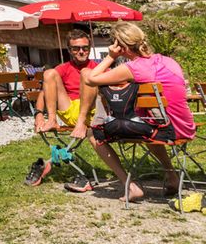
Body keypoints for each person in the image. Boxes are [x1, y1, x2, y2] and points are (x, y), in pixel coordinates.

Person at [84, 21, 195, 202]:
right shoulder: (168, 60)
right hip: (184, 127)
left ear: (120, 46)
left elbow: (91, 79)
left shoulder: (133, 68)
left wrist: (111, 57)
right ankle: (172, 177)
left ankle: (131, 186)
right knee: (149, 124)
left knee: (92, 133)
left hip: (164, 130)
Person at [34, 29, 99, 139]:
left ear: (89, 48)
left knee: (87, 73)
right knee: (49, 73)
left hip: (90, 111)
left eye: (85, 48)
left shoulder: (98, 67)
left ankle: (81, 121)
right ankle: (52, 119)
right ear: (69, 50)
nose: (81, 51)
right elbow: (44, 93)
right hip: (69, 109)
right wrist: (39, 115)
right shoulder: (64, 68)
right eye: (76, 48)